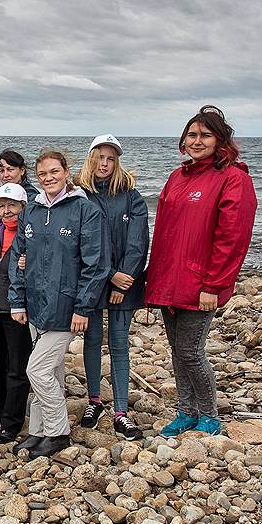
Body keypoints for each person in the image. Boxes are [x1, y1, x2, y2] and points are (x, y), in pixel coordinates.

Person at [146, 105, 256, 437]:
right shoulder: (178, 177)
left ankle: (208, 414)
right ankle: (185, 411)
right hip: (169, 279)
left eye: (205, 135)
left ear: (220, 139)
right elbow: (165, 231)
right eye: (192, 135)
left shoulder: (234, 178)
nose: (197, 141)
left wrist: (215, 284)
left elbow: (232, 237)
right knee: (177, 351)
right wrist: (155, 277)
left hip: (200, 282)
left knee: (191, 351)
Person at [9, 150, 109, 458]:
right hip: (36, 306)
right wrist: (17, 301)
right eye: (42, 174)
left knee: (36, 370)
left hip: (66, 308)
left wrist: (83, 307)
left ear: (66, 172)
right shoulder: (32, 211)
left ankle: (58, 431)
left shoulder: (84, 210)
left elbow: (96, 264)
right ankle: (39, 432)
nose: (48, 178)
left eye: (54, 172)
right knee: (49, 373)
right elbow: (18, 258)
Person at [75, 135, 150, 441]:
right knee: (91, 341)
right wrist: (108, 276)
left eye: (110, 159)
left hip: (125, 283)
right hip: (92, 282)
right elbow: (80, 245)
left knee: (119, 344)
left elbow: (138, 242)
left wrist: (125, 277)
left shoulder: (131, 196)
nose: (104, 164)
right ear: (90, 159)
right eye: (99, 157)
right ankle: (95, 401)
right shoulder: (79, 196)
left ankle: (121, 410)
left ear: (117, 162)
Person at [0, 183, 33, 444]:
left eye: (12, 205)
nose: (6, 210)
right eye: (1, 205)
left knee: (16, 367)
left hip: (17, 310)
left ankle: (11, 422)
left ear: (23, 207)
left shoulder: (30, 236)